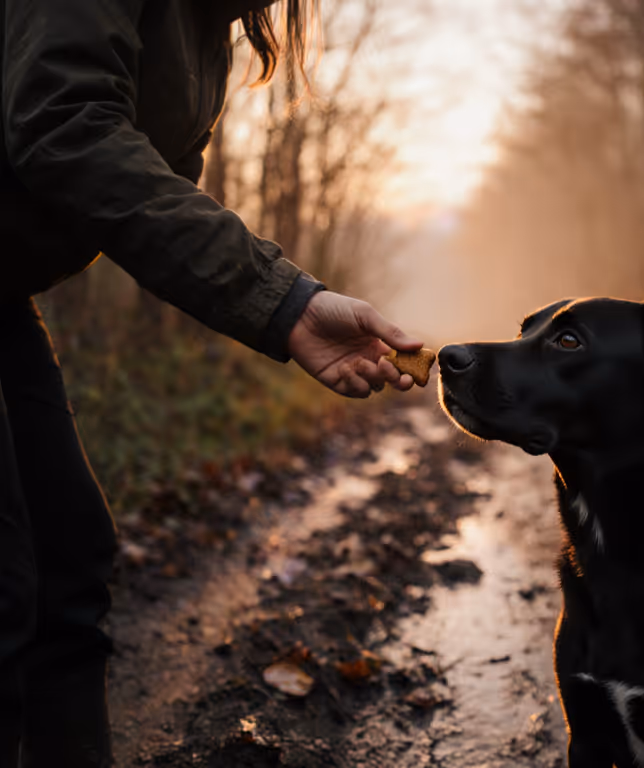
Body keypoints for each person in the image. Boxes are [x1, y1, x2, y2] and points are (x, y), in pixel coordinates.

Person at [0, 1, 423, 765]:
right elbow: (65, 124)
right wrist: (285, 299)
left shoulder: (209, 29)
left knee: (69, 559)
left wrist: (287, 312)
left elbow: (149, 192)